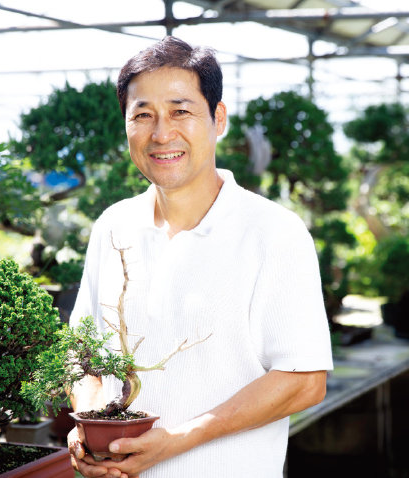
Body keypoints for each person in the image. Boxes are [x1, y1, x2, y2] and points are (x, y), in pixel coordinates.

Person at [67, 36, 333, 478]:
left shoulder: (273, 232)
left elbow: (303, 380)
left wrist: (176, 441)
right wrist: (91, 428)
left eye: (180, 111)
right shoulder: (113, 227)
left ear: (218, 118)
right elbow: (80, 354)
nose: (161, 133)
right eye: (143, 115)